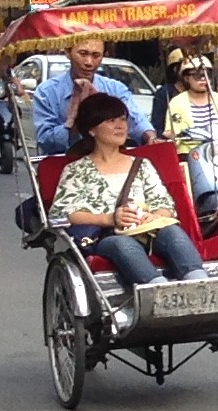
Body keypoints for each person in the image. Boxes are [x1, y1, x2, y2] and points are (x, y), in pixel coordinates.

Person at [49, 92, 207, 285]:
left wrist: (155, 216)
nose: (120, 126)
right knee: (122, 243)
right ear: (92, 130)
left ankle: (199, 283)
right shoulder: (76, 170)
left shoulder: (142, 165)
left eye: (123, 119)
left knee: (172, 232)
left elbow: (165, 204)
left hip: (148, 231)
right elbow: (63, 213)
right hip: (107, 236)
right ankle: (157, 288)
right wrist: (109, 219)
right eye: (111, 120)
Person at [160, 54, 218, 223]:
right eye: (197, 75)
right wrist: (173, 134)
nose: (203, 79)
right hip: (190, 153)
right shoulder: (177, 102)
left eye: (207, 75)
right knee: (181, 173)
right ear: (186, 78)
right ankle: (186, 211)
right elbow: (173, 130)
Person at [31, 37, 149, 156]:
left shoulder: (116, 89)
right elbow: (45, 140)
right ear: (68, 52)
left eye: (96, 55)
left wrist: (149, 137)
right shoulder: (47, 92)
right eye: (83, 54)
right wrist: (73, 123)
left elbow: (136, 120)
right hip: (64, 162)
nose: (89, 62)